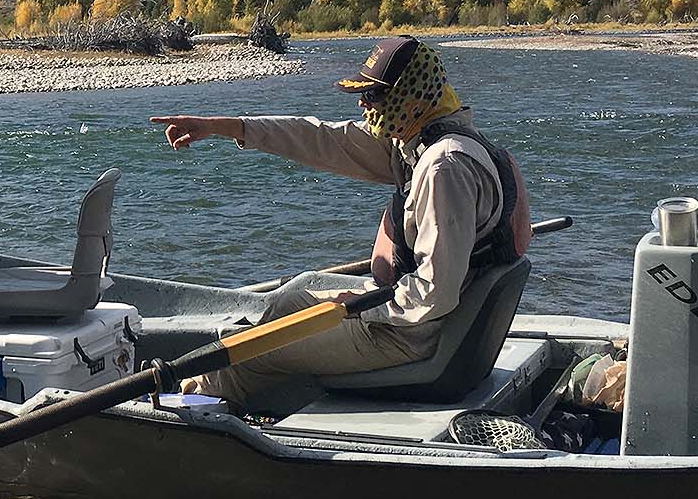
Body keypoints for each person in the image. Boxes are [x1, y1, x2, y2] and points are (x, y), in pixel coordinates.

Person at [149, 35, 530, 411]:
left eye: (376, 95)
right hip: (409, 317)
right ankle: (204, 396)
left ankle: (180, 416)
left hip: (409, 333)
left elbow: (435, 291)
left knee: (254, 350)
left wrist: (362, 307)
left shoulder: (443, 166)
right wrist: (226, 127)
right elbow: (321, 139)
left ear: (412, 99)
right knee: (291, 301)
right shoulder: (424, 136)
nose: (365, 104)